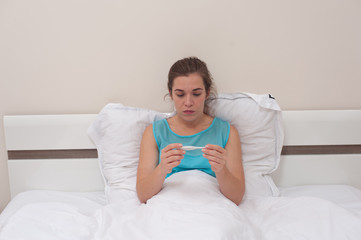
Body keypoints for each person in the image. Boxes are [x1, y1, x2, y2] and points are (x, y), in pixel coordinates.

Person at [136, 57, 245, 205]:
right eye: (180, 94)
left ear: (206, 93)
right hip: (169, 204)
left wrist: (221, 170)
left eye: (196, 94)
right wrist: (162, 169)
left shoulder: (227, 132)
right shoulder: (154, 132)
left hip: (212, 205)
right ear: (171, 94)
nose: (188, 102)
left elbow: (237, 198)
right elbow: (143, 195)